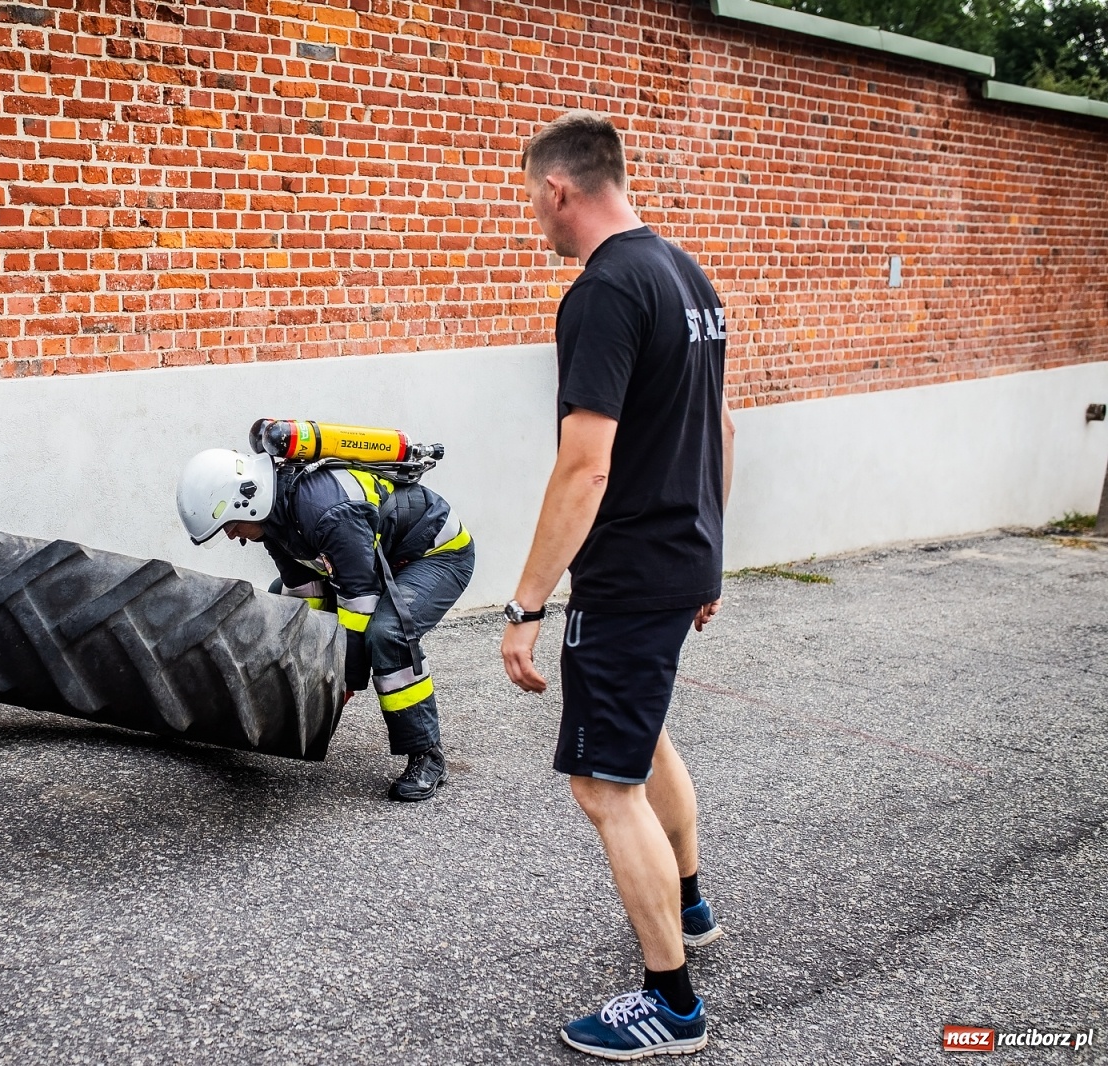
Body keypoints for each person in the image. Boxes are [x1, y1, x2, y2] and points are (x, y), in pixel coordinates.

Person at [500, 110, 736, 1059]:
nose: (533, 217)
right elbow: (723, 429)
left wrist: (525, 604)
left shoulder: (602, 292)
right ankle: (690, 904)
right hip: (680, 555)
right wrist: (711, 552)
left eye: (531, 198)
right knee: (645, 736)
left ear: (560, 189)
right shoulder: (688, 274)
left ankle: (671, 1002)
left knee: (604, 784)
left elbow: (584, 467)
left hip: (632, 569)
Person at [177, 446, 474, 801]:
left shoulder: (328, 512)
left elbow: (359, 603)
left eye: (229, 525)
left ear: (246, 502)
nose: (231, 535)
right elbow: (308, 590)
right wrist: (311, 668)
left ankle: (427, 754)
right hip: (379, 560)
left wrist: (343, 680)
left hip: (435, 555)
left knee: (387, 633)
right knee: (283, 600)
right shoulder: (272, 520)